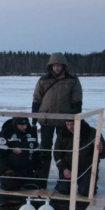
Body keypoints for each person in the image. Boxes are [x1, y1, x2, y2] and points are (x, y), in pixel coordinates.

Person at [31, 52, 83, 187]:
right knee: (45, 150)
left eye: (59, 65)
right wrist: (34, 118)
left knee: (63, 150)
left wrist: (73, 117)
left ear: (63, 66)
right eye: (54, 65)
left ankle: (64, 180)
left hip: (64, 121)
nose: (56, 68)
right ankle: (41, 180)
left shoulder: (72, 80)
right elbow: (37, 99)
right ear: (50, 66)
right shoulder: (43, 80)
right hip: (46, 120)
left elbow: (77, 101)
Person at [53, 119, 105, 196]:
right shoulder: (63, 134)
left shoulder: (93, 133)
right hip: (69, 168)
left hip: (87, 170)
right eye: (67, 124)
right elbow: (57, 154)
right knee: (63, 190)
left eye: (72, 124)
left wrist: (101, 150)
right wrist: (64, 169)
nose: (69, 127)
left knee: (86, 192)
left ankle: (88, 184)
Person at [0, 117, 44, 191]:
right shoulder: (5, 134)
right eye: (22, 125)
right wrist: (5, 170)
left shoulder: (31, 133)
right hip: (10, 171)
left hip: (27, 170)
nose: (24, 127)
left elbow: (37, 152)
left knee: (36, 185)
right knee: (11, 186)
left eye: (26, 124)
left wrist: (38, 168)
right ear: (16, 124)